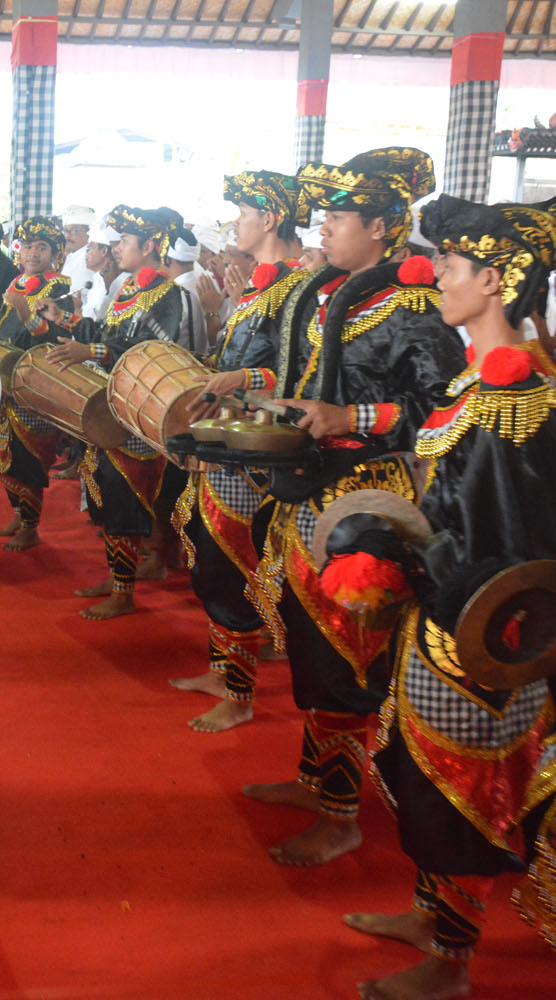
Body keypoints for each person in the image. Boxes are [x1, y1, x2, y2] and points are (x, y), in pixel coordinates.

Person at [315, 193, 556, 1000]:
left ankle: (451, 962)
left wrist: (410, 558)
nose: (438, 278)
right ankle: (429, 915)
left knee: (462, 797)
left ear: (493, 280)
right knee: (421, 782)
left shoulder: (518, 397)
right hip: (440, 609)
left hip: (478, 634)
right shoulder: (477, 382)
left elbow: (510, 543)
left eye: (451, 267)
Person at [239, 148, 465, 867]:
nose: (323, 227)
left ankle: (342, 816)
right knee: (313, 649)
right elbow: (305, 375)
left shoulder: (418, 307)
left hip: (365, 504)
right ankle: (318, 779)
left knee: (346, 660)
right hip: (309, 490)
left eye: (337, 217)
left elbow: (439, 411)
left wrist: (352, 417)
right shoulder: (328, 291)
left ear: (383, 226)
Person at [172, 170, 312, 733]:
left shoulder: (302, 288)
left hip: (257, 454)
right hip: (228, 440)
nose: (235, 223)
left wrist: (240, 377)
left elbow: (301, 370)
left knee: (232, 565)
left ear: (270, 219)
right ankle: (221, 668)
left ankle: (240, 693)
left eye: (243, 213)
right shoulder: (258, 288)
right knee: (211, 557)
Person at [49, 205, 192, 619]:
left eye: (125, 241)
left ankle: (125, 591)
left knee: (126, 495)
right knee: (112, 492)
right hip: (122, 404)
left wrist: (91, 350)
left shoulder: (168, 294)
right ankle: (119, 577)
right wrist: (68, 321)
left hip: (143, 411)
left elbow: (152, 352)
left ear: (149, 246)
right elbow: (113, 338)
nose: (117, 247)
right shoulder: (131, 288)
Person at [0, 217, 78, 552]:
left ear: (55, 252)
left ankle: (30, 525)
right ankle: (19, 512)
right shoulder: (17, 281)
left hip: (36, 381)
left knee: (29, 457)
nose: (33, 253)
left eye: (42, 247)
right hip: (5, 379)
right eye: (28, 246)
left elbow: (58, 338)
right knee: (2, 453)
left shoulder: (61, 287)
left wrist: (27, 315)